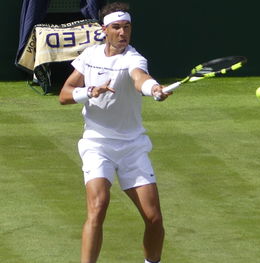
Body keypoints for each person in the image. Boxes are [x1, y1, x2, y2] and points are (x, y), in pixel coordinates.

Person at [59, 2, 170, 263]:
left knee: (153, 218)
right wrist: (89, 91)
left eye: (127, 28)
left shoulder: (133, 58)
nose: (123, 33)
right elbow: (64, 95)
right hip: (97, 143)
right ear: (104, 30)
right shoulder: (90, 56)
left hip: (133, 146)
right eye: (117, 27)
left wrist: (153, 89)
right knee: (98, 208)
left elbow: (139, 77)